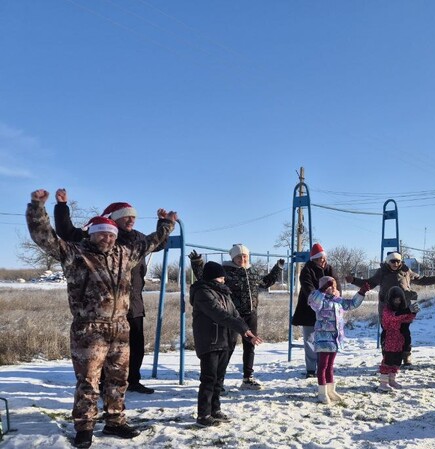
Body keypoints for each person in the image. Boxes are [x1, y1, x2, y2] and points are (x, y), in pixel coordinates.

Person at [26, 189, 176, 449]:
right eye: (101, 233)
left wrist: (166, 224)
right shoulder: (75, 254)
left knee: (119, 378)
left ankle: (115, 421)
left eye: (110, 234)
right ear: (92, 234)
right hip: (89, 328)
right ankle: (84, 427)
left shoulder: (125, 254)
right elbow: (44, 237)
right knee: (89, 381)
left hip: (120, 326)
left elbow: (150, 242)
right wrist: (37, 207)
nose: (106, 237)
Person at [53, 189, 166, 394]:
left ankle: (133, 380)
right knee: (104, 349)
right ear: (114, 219)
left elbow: (158, 243)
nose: (131, 220)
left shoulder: (138, 239)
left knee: (135, 345)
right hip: (102, 307)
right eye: (126, 217)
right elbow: (67, 233)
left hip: (133, 303)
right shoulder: (97, 235)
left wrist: (162, 223)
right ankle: (103, 382)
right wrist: (62, 207)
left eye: (133, 217)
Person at [189, 244, 284, 390]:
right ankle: (218, 383)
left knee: (250, 347)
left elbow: (266, 282)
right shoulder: (225, 271)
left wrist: (277, 268)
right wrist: (197, 263)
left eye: (245, 256)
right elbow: (205, 277)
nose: (242, 259)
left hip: (250, 314)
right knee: (228, 348)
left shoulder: (252, 271)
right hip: (231, 316)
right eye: (239, 256)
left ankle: (247, 378)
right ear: (233, 258)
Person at [190, 261, 263, 427]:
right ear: (214, 277)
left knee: (218, 379)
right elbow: (220, 315)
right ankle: (203, 415)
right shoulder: (203, 293)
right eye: (221, 276)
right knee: (209, 379)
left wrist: (247, 331)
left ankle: (215, 410)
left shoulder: (223, 292)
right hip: (209, 342)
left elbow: (235, 314)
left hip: (224, 341)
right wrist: (242, 328)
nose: (224, 279)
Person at [345, 250, 435, 366]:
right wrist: (354, 280)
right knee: (387, 334)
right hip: (387, 310)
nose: (395, 264)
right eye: (393, 261)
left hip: (404, 308)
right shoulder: (382, 272)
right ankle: (386, 356)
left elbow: (422, 280)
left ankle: (406, 355)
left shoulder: (406, 271)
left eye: (398, 261)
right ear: (388, 262)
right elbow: (369, 283)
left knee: (405, 333)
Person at [307, 276, 368, 404]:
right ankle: (322, 392)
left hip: (335, 338)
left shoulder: (337, 300)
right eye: (329, 285)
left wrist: (361, 292)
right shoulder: (318, 298)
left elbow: (352, 304)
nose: (332, 287)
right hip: (323, 338)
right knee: (322, 366)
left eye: (334, 284)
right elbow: (314, 304)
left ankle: (331, 390)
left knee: (330, 366)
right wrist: (322, 290)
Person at [291, 243, 339, 378]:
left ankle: (324, 367)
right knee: (310, 339)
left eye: (323, 258)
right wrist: (317, 298)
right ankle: (311, 369)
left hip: (327, 312)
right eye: (319, 259)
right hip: (309, 310)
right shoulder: (307, 270)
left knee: (327, 340)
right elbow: (308, 288)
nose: (322, 261)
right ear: (313, 259)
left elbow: (337, 286)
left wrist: (335, 297)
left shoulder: (330, 269)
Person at [377, 286, 418, 392]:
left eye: (399, 299)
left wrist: (413, 313)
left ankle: (392, 379)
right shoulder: (387, 310)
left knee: (397, 360)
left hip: (399, 339)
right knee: (388, 360)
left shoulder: (401, 310)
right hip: (389, 338)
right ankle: (383, 382)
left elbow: (407, 319)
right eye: (395, 299)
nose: (397, 302)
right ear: (390, 300)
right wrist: (407, 311)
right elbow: (394, 317)